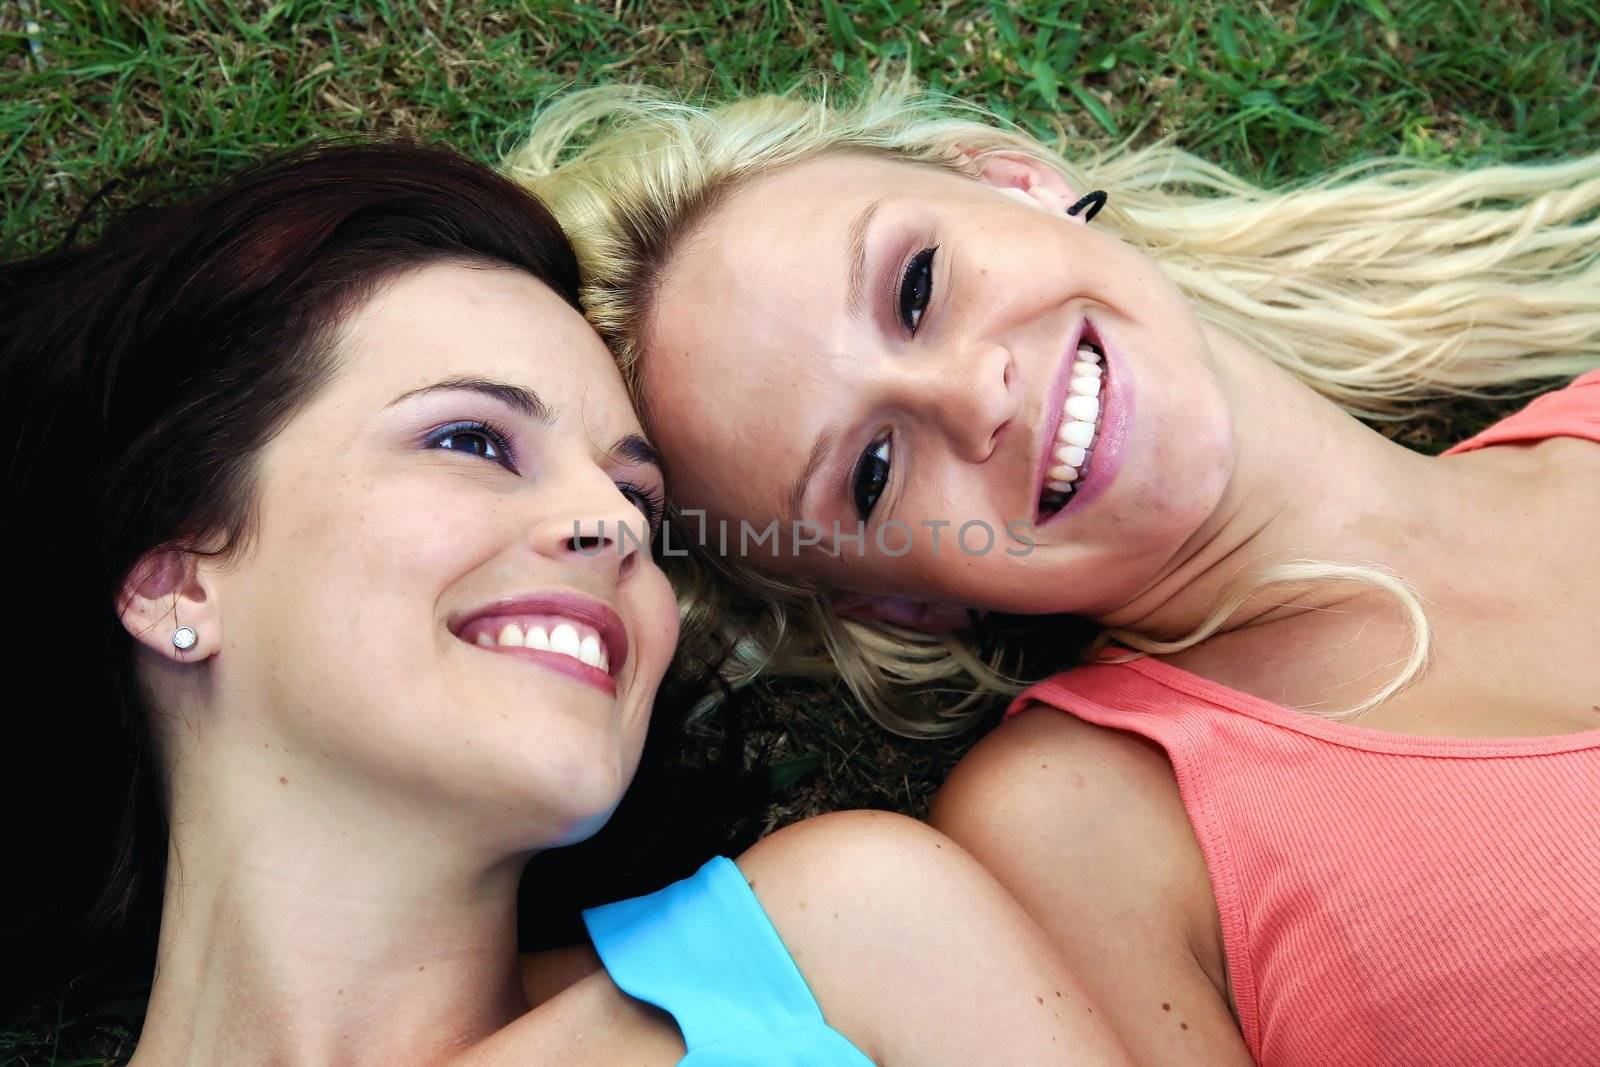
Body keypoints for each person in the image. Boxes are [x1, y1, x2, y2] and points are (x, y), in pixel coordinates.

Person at [511, 82, 1600, 1065]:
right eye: (873, 472)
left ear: (1017, 183)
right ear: (898, 599)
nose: (972, 393)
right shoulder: (1089, 828)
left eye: (917, 284)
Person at [0, 142, 1131, 1065]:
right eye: (472, 440)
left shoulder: (851, 951)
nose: (614, 527)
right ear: (176, 577)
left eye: (636, 495)